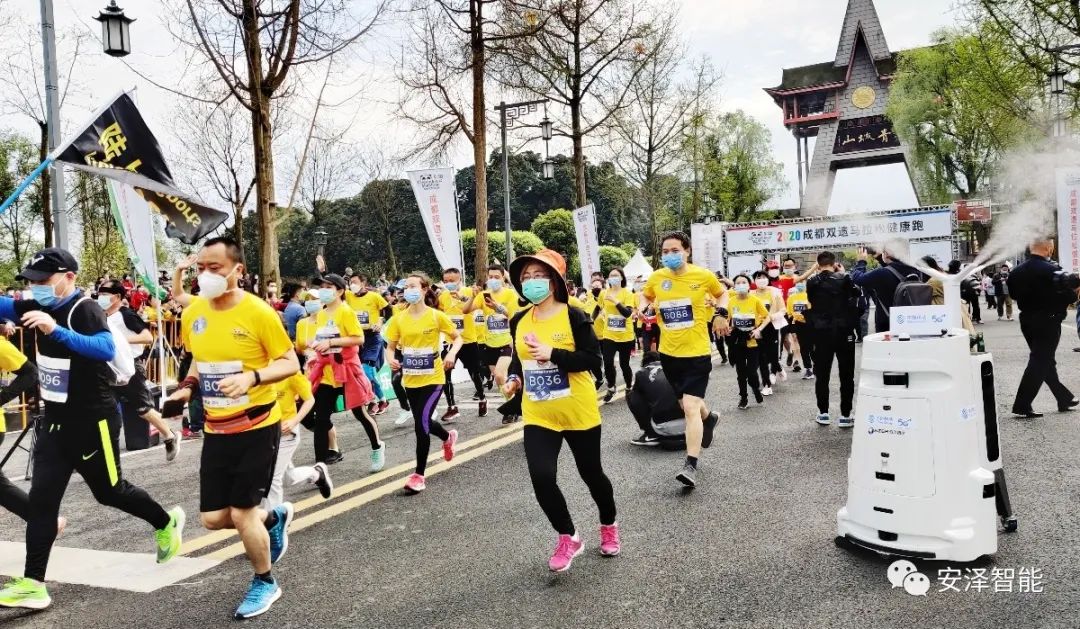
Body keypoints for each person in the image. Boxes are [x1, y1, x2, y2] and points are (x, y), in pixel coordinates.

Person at [0, 248, 183, 611]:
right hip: (55, 422)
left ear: (69, 277)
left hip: (92, 422)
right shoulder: (36, 304)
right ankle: (34, 584)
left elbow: (103, 348)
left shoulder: (83, 309)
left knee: (110, 492)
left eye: (43, 280)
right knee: (42, 502)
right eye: (31, 282)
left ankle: (165, 522)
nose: (36, 287)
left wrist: (55, 330)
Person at [163, 237, 299, 619]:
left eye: (215, 268)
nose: (205, 275)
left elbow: (290, 362)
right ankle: (274, 518)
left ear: (238, 270)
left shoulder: (258, 312)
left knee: (242, 513)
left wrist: (252, 378)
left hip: (257, 425)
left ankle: (265, 582)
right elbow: (198, 359)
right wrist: (186, 388)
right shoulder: (195, 313)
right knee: (212, 519)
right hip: (216, 428)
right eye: (200, 268)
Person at [501, 249, 619, 572]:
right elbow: (520, 358)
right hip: (539, 412)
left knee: (591, 474)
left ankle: (608, 524)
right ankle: (569, 536)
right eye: (526, 277)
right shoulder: (519, 320)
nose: (531, 281)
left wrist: (553, 353)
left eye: (539, 276)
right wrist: (514, 378)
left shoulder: (574, 315)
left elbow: (593, 360)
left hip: (577, 410)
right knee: (541, 477)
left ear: (553, 281)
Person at [642, 231, 727, 488]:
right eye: (665, 252)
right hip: (669, 354)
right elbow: (646, 295)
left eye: (675, 250)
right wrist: (644, 306)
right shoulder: (657, 278)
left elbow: (722, 293)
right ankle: (708, 418)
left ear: (687, 251)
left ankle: (690, 465)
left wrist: (721, 313)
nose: (669, 255)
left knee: (690, 407)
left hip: (697, 353)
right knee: (686, 404)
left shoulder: (703, 276)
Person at [384, 272, 462, 494]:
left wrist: (451, 354)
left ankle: (418, 475)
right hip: (411, 379)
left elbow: (458, 337)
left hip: (434, 377)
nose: (408, 290)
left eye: (413, 286)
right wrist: (390, 359)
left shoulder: (436, 316)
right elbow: (391, 347)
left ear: (424, 289)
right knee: (424, 420)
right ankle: (447, 437)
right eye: (406, 287)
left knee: (421, 426)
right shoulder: (399, 318)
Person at [304, 274, 385, 472]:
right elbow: (322, 339)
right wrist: (315, 348)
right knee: (321, 419)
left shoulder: (346, 312)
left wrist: (331, 342)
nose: (323, 290)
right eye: (321, 287)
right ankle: (320, 467)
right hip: (327, 372)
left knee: (360, 413)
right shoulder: (321, 314)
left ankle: (377, 447)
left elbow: (358, 339)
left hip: (348, 370)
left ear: (340, 291)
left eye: (328, 287)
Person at [97, 280, 180, 460]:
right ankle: (100, 450)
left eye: (104, 293)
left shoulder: (126, 314)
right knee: (103, 409)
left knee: (143, 408)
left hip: (130, 367)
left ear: (117, 296)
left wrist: (120, 341)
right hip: (110, 368)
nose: (100, 297)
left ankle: (170, 435)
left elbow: (147, 337)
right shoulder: (103, 316)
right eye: (99, 293)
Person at [1006, 237, 1079, 418]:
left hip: (1026, 320)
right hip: (1048, 320)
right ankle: (1022, 404)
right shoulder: (1052, 270)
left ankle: (1063, 398)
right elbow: (1069, 297)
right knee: (1040, 360)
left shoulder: (1016, 272)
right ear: (1049, 249)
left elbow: (1013, 295)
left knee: (1045, 360)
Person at [806, 251, 860, 428]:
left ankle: (823, 413)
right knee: (847, 374)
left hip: (821, 331)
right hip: (844, 331)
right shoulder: (844, 278)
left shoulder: (812, 281)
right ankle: (845, 415)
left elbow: (811, 300)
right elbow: (857, 293)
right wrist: (843, 274)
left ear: (818, 264)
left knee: (822, 374)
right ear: (834, 263)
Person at [263, 371, 331, 508]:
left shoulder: (290, 371)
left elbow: (309, 399)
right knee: (287, 478)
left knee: (272, 478)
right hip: (264, 433)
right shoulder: (257, 369)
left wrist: (294, 421)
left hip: (286, 433)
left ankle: (276, 518)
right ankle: (317, 474)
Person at [465, 264, 521, 424]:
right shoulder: (483, 295)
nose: (493, 280)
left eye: (497, 277)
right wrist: (472, 296)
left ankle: (511, 408)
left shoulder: (510, 294)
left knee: (499, 374)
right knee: (499, 380)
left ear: (503, 278)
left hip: (507, 342)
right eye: (490, 277)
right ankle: (514, 404)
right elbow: (465, 310)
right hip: (489, 344)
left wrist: (497, 307)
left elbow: (513, 316)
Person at [437, 268, 487, 417]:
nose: (448, 283)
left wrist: (464, 298)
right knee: (444, 373)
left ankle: (482, 398)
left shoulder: (469, 292)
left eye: (452, 281)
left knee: (474, 373)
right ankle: (452, 406)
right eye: (446, 281)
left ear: (459, 279)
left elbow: (474, 306)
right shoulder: (443, 296)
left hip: (468, 340)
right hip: (450, 342)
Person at [344, 272, 391, 417]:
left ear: (363, 283)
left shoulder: (374, 296)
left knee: (367, 371)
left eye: (355, 282)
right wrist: (323, 271)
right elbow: (335, 287)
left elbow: (388, 310)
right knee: (361, 373)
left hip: (372, 338)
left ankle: (373, 401)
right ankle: (382, 400)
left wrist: (381, 321)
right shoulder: (348, 296)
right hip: (357, 338)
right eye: (350, 282)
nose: (352, 285)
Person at [851, 244, 924, 333]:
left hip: (887, 324)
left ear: (886, 254)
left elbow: (858, 279)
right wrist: (880, 257)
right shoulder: (916, 270)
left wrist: (861, 262)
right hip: (911, 321)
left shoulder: (882, 273)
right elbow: (893, 270)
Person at [627, 351, 686, 448]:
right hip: (691, 423)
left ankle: (651, 435)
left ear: (644, 363)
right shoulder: (675, 369)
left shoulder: (641, 373)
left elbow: (636, 400)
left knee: (631, 395)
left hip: (663, 427)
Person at [727, 274, 768, 410]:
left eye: (744, 282)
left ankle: (756, 389)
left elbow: (767, 317)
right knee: (740, 373)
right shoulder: (731, 301)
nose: (741, 285)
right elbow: (730, 319)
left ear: (749, 285)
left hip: (752, 341)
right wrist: (729, 328)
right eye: (738, 283)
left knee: (751, 373)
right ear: (734, 286)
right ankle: (743, 397)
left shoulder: (755, 300)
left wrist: (759, 329)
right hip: (738, 341)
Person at [599, 267, 636, 402]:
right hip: (609, 334)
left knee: (624, 364)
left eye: (616, 275)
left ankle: (628, 386)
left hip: (625, 335)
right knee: (608, 363)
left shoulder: (627, 293)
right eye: (611, 275)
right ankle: (611, 387)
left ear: (621, 278)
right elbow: (598, 307)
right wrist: (594, 317)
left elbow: (627, 314)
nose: (613, 277)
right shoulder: (604, 293)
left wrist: (615, 301)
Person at [751, 270, 785, 395]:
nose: (761, 280)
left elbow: (783, 310)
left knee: (773, 355)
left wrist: (773, 316)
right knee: (762, 357)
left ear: (768, 279)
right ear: (754, 280)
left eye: (764, 277)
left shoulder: (775, 292)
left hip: (772, 327)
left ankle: (777, 367)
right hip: (757, 328)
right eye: (758, 277)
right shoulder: (751, 294)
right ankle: (767, 385)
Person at [786, 280, 814, 380]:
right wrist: (793, 329)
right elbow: (790, 314)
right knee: (803, 347)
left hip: (811, 324)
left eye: (802, 282)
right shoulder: (791, 298)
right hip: (798, 324)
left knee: (812, 347)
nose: (800, 285)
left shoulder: (811, 296)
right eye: (799, 283)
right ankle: (808, 369)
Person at [950, 260, 982, 324]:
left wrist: (978, 291)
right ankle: (968, 319)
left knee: (976, 306)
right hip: (965, 293)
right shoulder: (961, 275)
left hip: (973, 293)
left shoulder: (974, 275)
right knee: (967, 306)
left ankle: (977, 318)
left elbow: (978, 283)